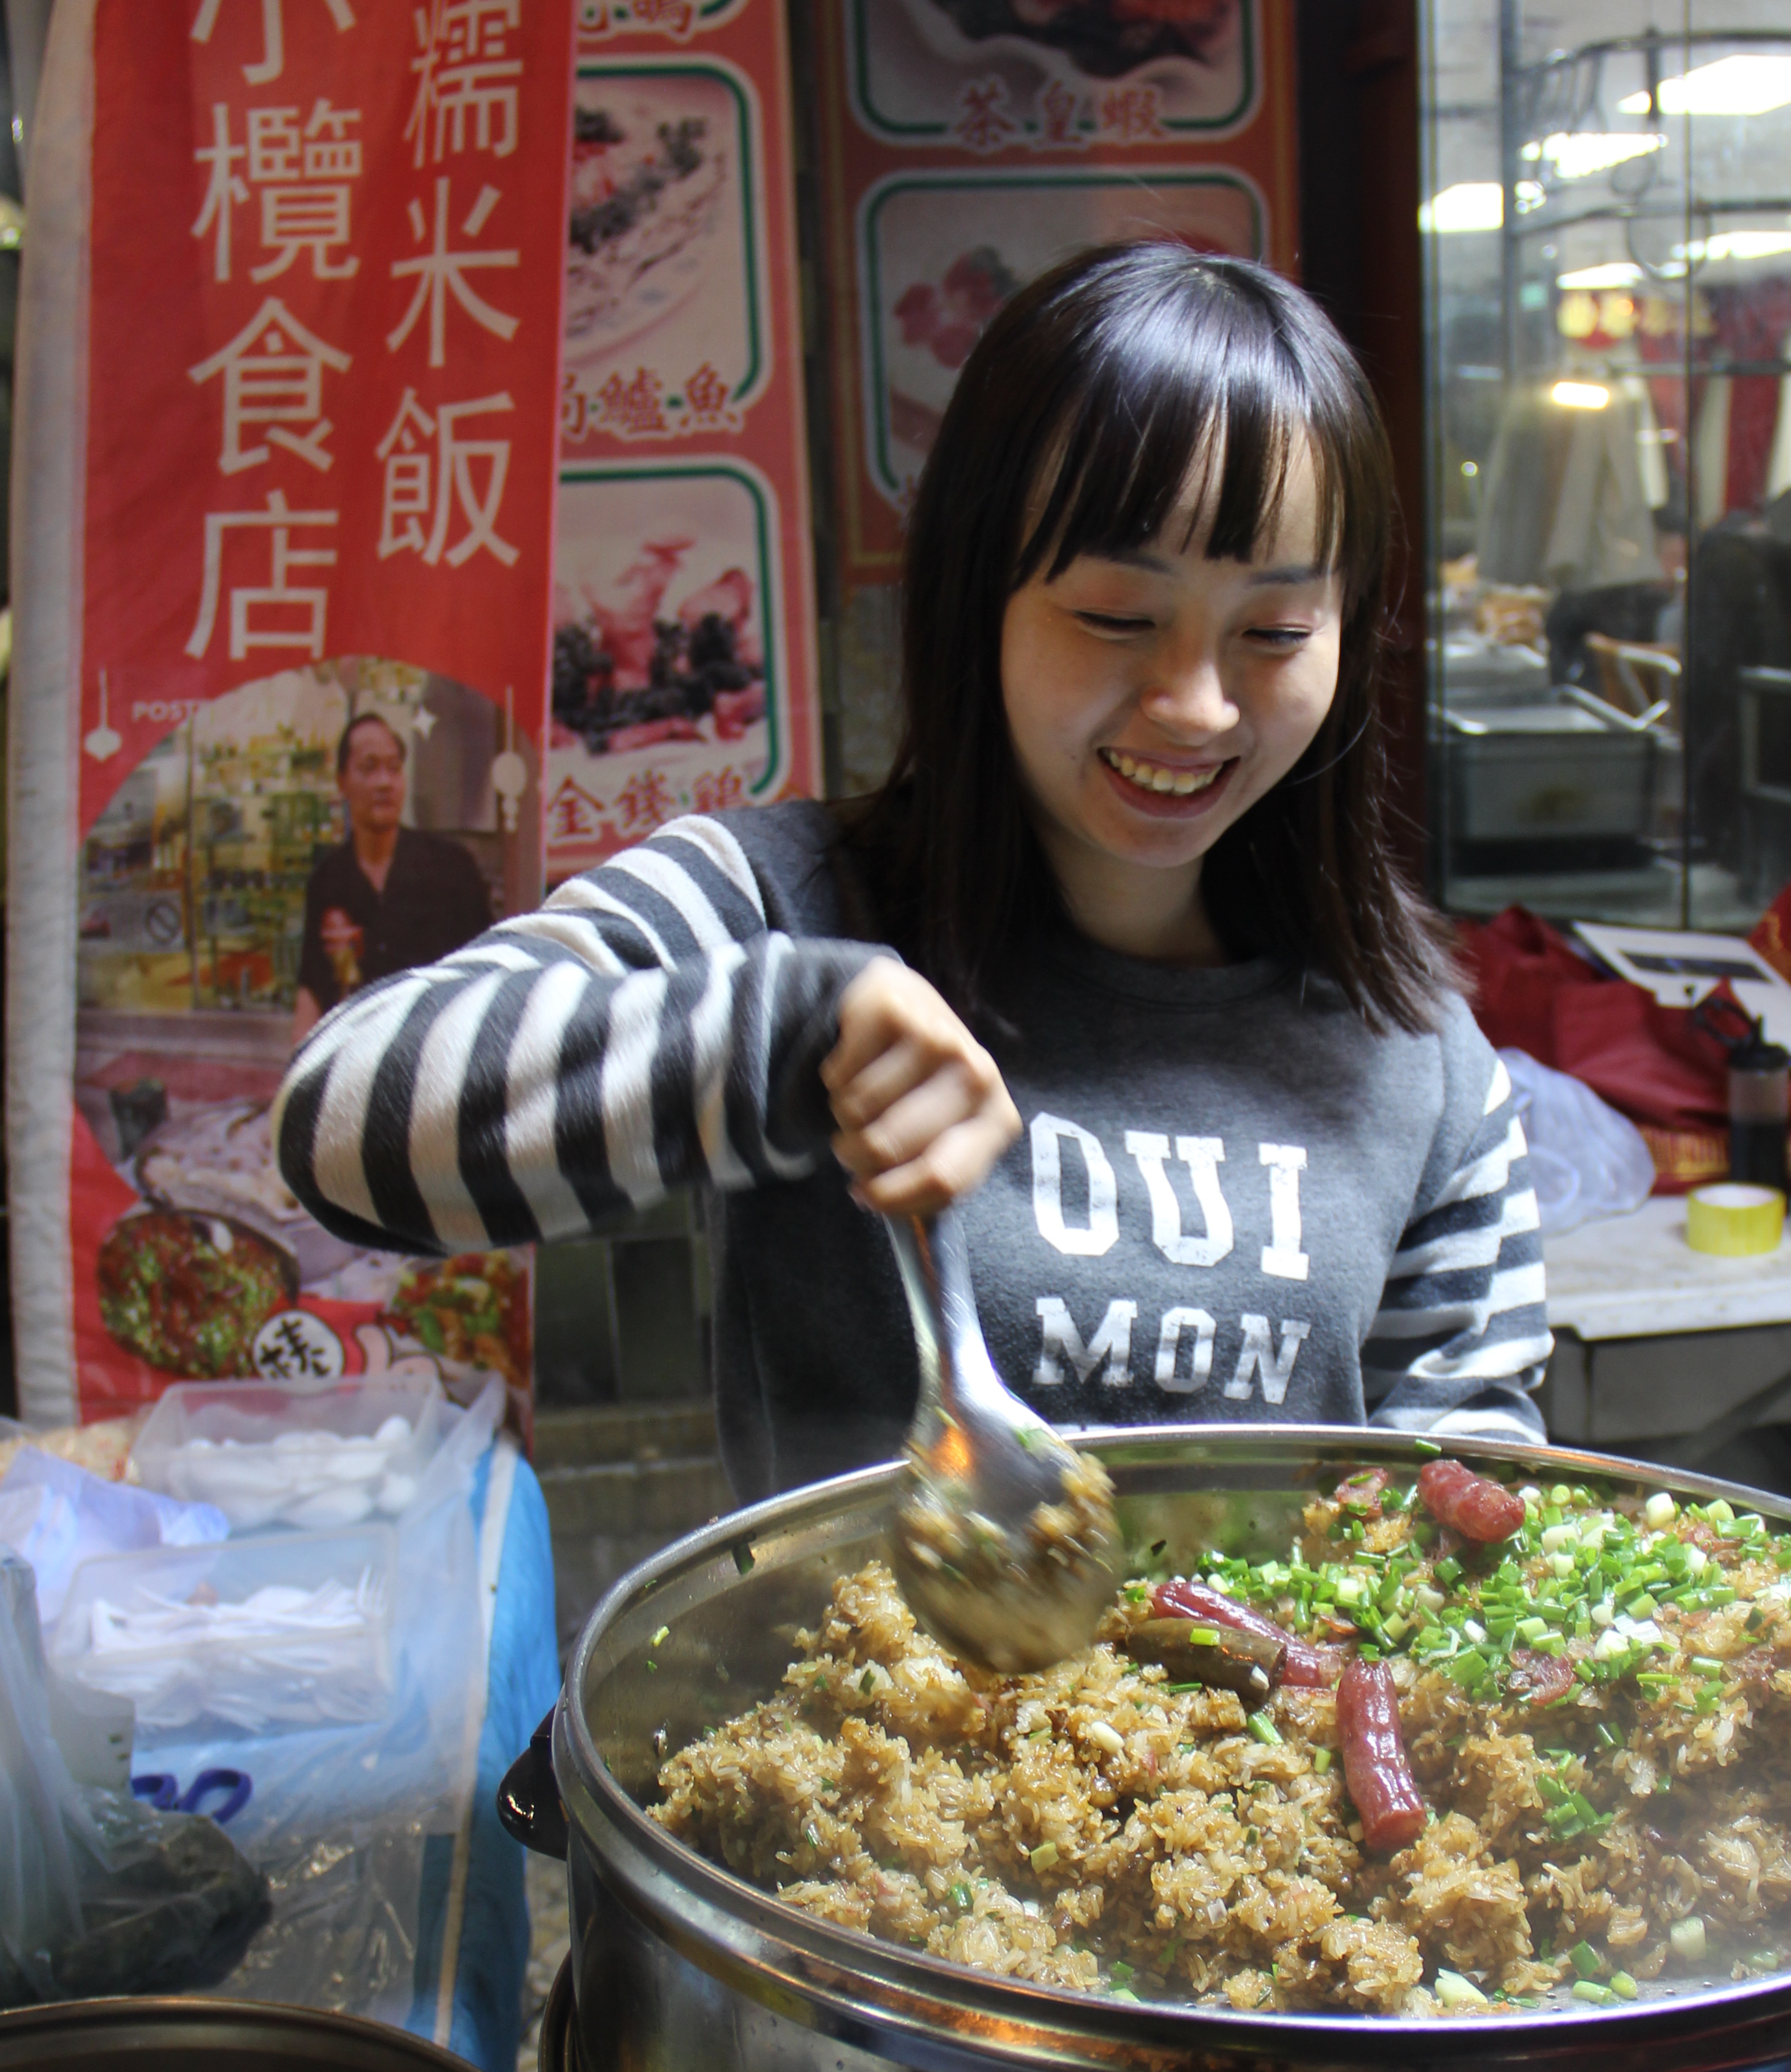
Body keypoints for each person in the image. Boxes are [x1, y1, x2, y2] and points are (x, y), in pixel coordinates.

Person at [275, 246, 1547, 1500]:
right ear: (974, 594)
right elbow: (342, 1125)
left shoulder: (1415, 1057)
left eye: (1274, 633)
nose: (1197, 705)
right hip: (849, 1703)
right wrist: (786, 1033)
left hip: (1291, 1708)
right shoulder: (777, 897)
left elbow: (1470, 1496)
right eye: (1117, 616)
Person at [290, 712, 494, 1044]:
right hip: (359, 1059)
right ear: (342, 782)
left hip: (439, 1053)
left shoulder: (453, 868)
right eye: (369, 768)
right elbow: (311, 990)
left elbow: (490, 973)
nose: (384, 782)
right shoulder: (327, 880)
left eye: (394, 768)